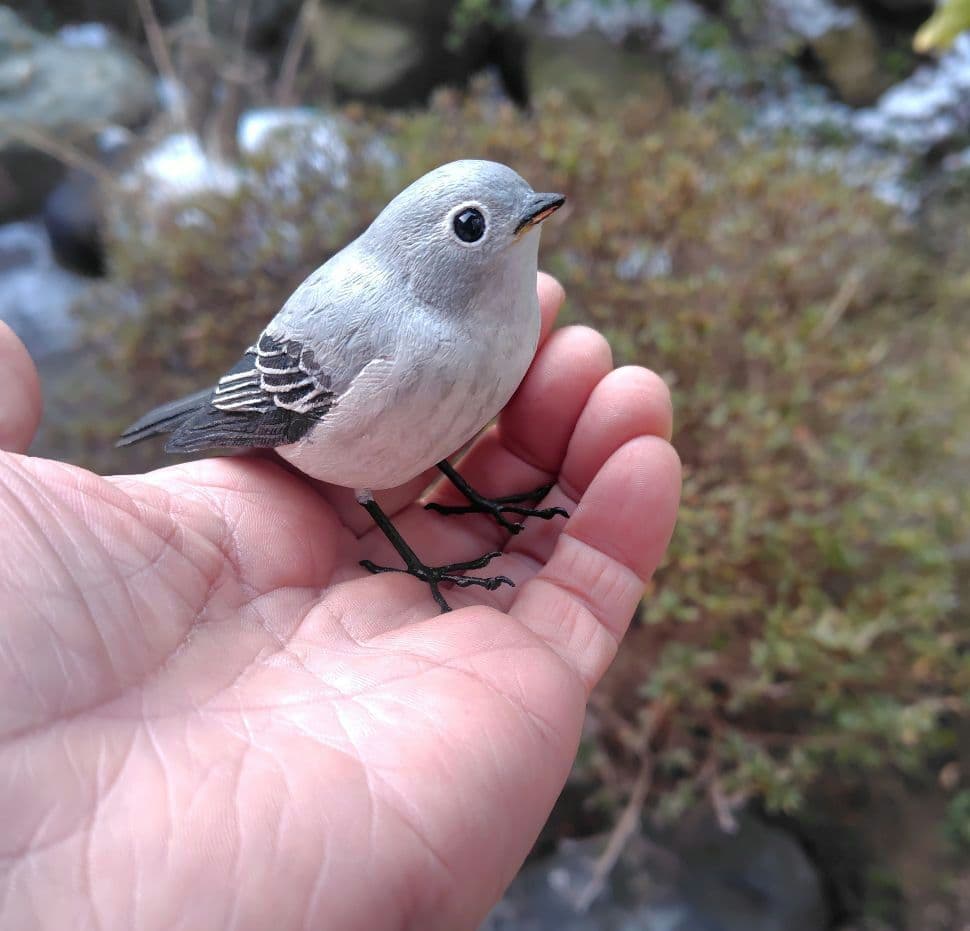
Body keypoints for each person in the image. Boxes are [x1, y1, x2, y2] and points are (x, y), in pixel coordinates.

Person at [0, 274, 680, 930]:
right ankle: (420, 561)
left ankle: (464, 505)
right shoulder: (380, 325)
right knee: (375, 481)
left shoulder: (501, 320)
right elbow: (281, 393)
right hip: (298, 429)